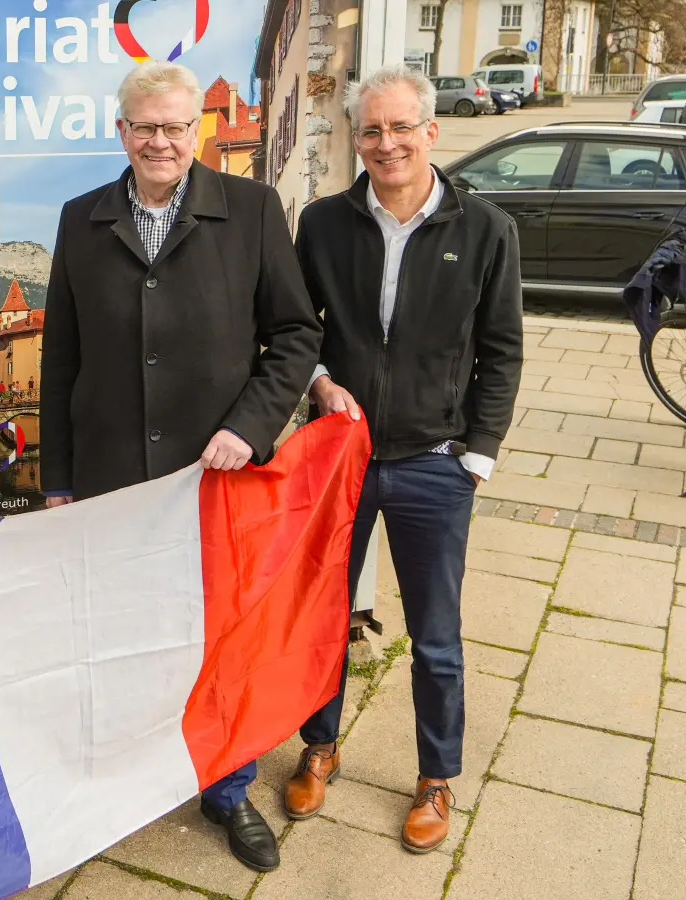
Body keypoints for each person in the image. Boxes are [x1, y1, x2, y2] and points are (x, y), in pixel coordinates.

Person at [40, 61, 321, 872]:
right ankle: (126, 786)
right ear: (120, 131)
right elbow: (61, 358)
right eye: (144, 127)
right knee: (122, 637)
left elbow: (297, 337)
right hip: (111, 481)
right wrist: (58, 480)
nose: (159, 141)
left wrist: (251, 425)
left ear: (194, 131)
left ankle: (227, 790)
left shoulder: (254, 211)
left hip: (218, 480)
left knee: (223, 641)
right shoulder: (79, 219)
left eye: (174, 127)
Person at [282, 66, 523, 854]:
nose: (386, 144)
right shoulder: (321, 223)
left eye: (399, 128)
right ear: (357, 139)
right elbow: (296, 328)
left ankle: (435, 777)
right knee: (321, 618)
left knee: (436, 635)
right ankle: (320, 747)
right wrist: (318, 384)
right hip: (341, 457)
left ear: (431, 132)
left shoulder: (486, 230)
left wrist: (476, 455)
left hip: (434, 462)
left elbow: (501, 352)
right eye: (371, 131)